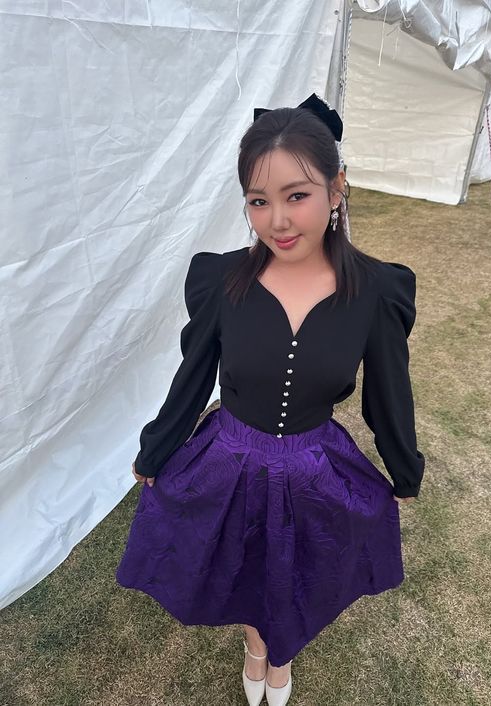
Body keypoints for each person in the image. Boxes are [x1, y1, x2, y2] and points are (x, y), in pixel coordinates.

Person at [115, 93, 425, 706]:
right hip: (229, 458)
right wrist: (156, 450)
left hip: (314, 465)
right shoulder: (222, 280)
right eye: (259, 201)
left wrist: (403, 467)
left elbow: (390, 392)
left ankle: (279, 654)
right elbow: (193, 375)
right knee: (248, 562)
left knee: (295, 568)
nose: (277, 221)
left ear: (337, 188)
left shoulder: (375, 291)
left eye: (296, 195)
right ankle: (257, 648)